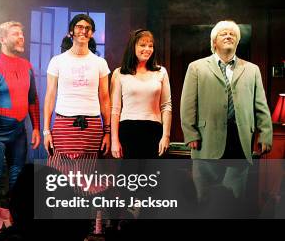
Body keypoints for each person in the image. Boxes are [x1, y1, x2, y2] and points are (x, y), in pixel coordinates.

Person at [180, 20, 272, 209]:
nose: (229, 36)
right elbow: (188, 104)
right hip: (206, 141)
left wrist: (265, 135)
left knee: (234, 201)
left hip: (239, 141)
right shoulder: (196, 67)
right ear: (214, 42)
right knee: (203, 199)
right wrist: (190, 134)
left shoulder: (252, 69)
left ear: (237, 42)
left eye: (232, 34)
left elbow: (261, 105)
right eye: (223, 34)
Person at [0, 21, 40, 213]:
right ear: (2, 39)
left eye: (22, 33)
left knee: (17, 178)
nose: (21, 37)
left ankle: (16, 223)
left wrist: (36, 127)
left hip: (19, 131)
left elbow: (33, 99)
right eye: (15, 34)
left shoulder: (27, 66)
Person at [43, 14, 110, 195]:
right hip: (64, 124)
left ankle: (87, 220)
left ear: (92, 34)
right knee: (60, 175)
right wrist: (46, 131)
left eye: (88, 28)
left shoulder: (100, 63)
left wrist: (108, 132)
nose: (83, 30)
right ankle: (63, 217)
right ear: (71, 31)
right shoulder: (57, 61)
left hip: (92, 125)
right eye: (79, 27)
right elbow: (50, 96)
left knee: (88, 176)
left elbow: (105, 98)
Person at [111, 29, 172, 159]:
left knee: (153, 175)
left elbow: (166, 106)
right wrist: (114, 140)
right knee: (130, 176)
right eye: (142, 45)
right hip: (128, 130)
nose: (147, 49)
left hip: (154, 129)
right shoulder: (119, 73)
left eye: (150, 46)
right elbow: (115, 110)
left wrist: (166, 136)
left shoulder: (161, 72)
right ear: (133, 46)